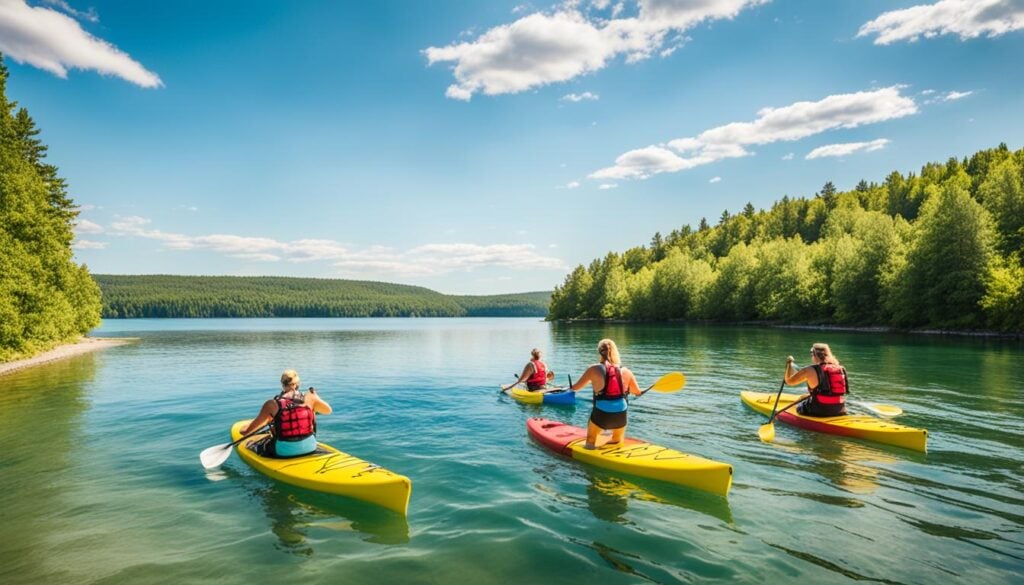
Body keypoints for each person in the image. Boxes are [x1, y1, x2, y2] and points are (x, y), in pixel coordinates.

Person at [241, 369, 333, 457]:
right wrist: (316, 397)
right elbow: (328, 410)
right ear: (298, 384)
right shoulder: (310, 398)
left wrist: (243, 429)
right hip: (310, 447)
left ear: (282, 384)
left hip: (284, 451)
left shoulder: (273, 404)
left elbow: (246, 432)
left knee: (252, 444)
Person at [568, 339, 641, 449]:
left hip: (601, 415)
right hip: (621, 415)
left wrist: (570, 388)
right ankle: (616, 441)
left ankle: (589, 451)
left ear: (599, 352)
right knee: (617, 439)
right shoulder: (626, 371)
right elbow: (637, 392)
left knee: (591, 440)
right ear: (615, 351)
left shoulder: (593, 369)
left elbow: (575, 388)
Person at [783, 343, 848, 417]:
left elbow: (789, 381)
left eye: (811, 354)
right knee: (803, 397)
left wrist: (788, 364)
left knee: (799, 404)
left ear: (815, 355)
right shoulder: (840, 368)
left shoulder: (810, 370)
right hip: (840, 409)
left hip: (819, 410)